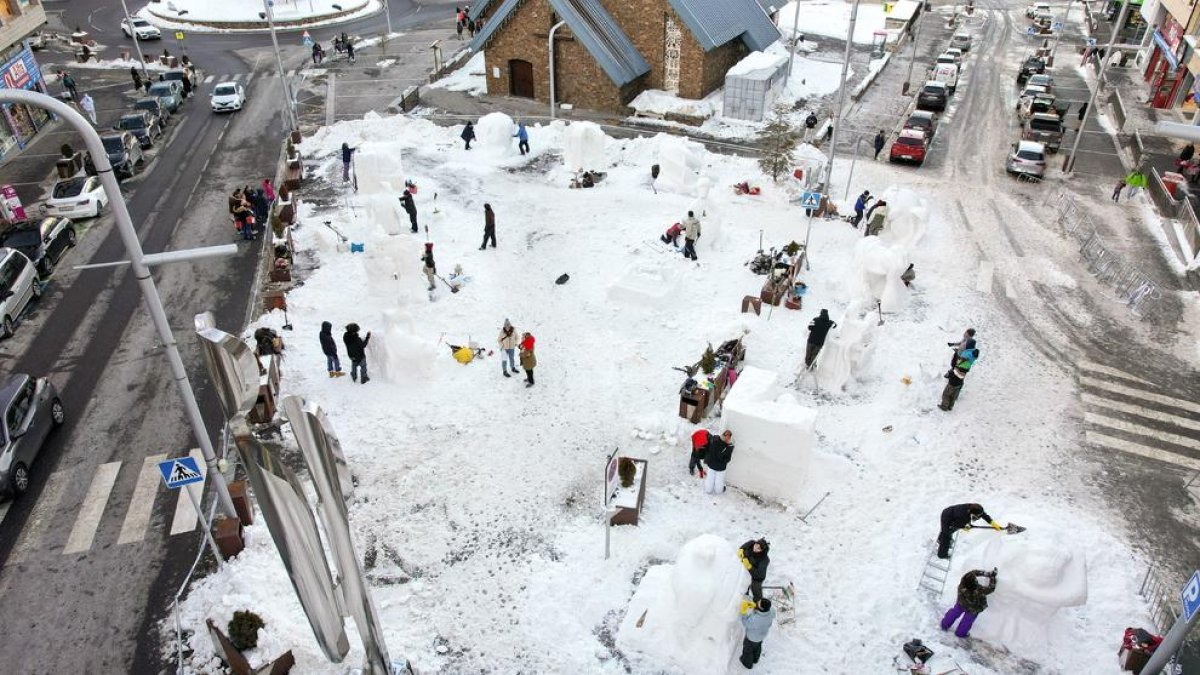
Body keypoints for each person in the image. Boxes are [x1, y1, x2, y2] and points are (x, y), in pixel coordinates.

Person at [941, 569, 998, 638]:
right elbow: (991, 588)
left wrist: (986, 573)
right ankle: (960, 633)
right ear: (974, 583)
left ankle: (944, 624)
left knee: (954, 612)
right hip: (973, 608)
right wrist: (992, 577)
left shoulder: (963, 581)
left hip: (961, 602)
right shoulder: (978, 590)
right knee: (967, 621)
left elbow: (973, 572)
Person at [936, 503, 1001, 559]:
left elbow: (984, 515)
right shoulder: (964, 516)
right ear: (971, 513)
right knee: (946, 534)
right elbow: (955, 524)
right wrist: (964, 527)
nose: (978, 517)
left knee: (951, 530)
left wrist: (992, 523)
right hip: (947, 516)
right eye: (976, 516)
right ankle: (942, 555)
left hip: (953, 514)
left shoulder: (975, 509)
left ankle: (940, 539)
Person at [739, 598, 775, 669]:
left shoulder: (756, 619)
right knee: (757, 647)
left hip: (751, 638)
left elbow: (746, 623)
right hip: (761, 635)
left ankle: (747, 663)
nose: (757, 602)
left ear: (761, 608)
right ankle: (755, 659)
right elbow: (770, 612)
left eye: (758, 603)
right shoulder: (771, 611)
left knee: (748, 651)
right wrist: (755, 607)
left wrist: (743, 613)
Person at [940, 347, 978, 411]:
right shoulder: (969, 364)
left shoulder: (961, 364)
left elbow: (955, 371)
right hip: (959, 383)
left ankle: (944, 406)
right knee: (953, 396)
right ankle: (950, 407)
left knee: (946, 394)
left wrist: (949, 374)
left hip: (953, 382)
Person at [702, 430, 734, 495]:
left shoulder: (715, 439)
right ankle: (719, 491)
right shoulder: (728, 447)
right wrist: (729, 448)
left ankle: (708, 490)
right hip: (720, 468)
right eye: (728, 437)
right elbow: (727, 460)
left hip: (711, 465)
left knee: (710, 479)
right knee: (719, 481)